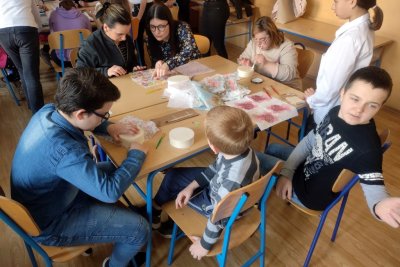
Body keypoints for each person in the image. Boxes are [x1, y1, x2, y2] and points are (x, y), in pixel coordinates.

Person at [11, 67, 149, 267]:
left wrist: (107, 127)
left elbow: (81, 123)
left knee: (113, 168)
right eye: (104, 115)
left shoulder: (49, 111)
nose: (105, 117)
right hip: (50, 223)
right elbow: (109, 192)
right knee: (140, 229)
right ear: (82, 113)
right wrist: (136, 155)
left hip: (50, 197)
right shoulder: (64, 149)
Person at [257, 66, 400, 228]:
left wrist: (380, 205)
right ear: (342, 93)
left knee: (255, 158)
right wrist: (287, 172)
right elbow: (311, 141)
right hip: (306, 168)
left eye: (372, 105)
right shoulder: (336, 112)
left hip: (308, 195)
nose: (359, 110)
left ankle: (259, 193)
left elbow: (375, 191)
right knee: (273, 148)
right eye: (355, 99)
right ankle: (268, 185)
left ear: (380, 107)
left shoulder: (368, 151)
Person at [152, 105, 260, 260]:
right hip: (225, 193)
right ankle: (156, 208)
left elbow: (218, 217)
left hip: (218, 207)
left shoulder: (230, 184)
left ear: (213, 147)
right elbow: (215, 168)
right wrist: (191, 186)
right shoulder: (239, 150)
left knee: (171, 180)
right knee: (174, 175)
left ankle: (155, 211)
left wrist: (204, 245)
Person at [305, 0, 384, 127]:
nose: (332, 6)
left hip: (329, 111)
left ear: (352, 2)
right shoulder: (364, 27)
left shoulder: (350, 38)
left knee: (310, 141)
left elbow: (331, 85)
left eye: (335, 1)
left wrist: (313, 99)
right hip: (338, 107)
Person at [0, 0, 44, 114]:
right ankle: (38, 113)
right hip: (26, 29)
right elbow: (35, 12)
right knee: (31, 74)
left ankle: (32, 105)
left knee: (22, 70)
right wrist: (39, 28)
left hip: (3, 32)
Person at [77, 3, 144, 77]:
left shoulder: (127, 39)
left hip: (124, 82)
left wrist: (134, 68)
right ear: (106, 27)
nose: (124, 38)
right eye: (120, 34)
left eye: (126, 32)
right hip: (102, 85)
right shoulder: (90, 45)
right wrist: (106, 71)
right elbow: (80, 73)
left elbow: (132, 62)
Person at [238, 16, 301, 89]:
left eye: (262, 39)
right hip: (265, 83)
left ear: (272, 35)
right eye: (256, 39)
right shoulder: (254, 43)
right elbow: (242, 58)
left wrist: (266, 63)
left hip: (287, 87)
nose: (258, 43)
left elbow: (289, 75)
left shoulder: (286, 46)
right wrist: (245, 63)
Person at [145, 2, 201, 78]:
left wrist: (168, 64)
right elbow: (155, 60)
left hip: (194, 73)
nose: (157, 32)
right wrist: (158, 62)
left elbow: (189, 51)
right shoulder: (150, 37)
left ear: (169, 23)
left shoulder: (182, 27)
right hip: (173, 78)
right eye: (152, 27)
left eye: (161, 26)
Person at [49, 0, 92, 67]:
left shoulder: (53, 15)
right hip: (82, 58)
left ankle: (64, 74)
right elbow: (89, 35)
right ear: (75, 6)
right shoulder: (83, 16)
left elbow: (52, 32)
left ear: (60, 7)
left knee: (52, 52)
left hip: (62, 60)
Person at [130, 0, 154, 65]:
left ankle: (156, 63)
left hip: (146, 8)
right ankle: (142, 66)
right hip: (133, 9)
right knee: (137, 40)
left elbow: (144, 1)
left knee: (152, 38)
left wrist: (138, 18)